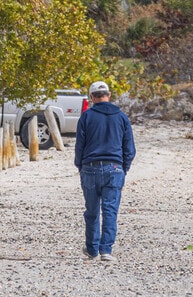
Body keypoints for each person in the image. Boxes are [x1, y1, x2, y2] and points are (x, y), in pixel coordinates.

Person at [74, 81, 136, 262]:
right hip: (114, 167)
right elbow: (129, 149)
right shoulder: (122, 117)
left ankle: (92, 250)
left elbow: (80, 146)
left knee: (91, 210)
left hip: (90, 167)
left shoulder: (86, 117)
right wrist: (124, 168)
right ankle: (106, 250)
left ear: (92, 97)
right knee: (110, 210)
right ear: (108, 95)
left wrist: (80, 165)